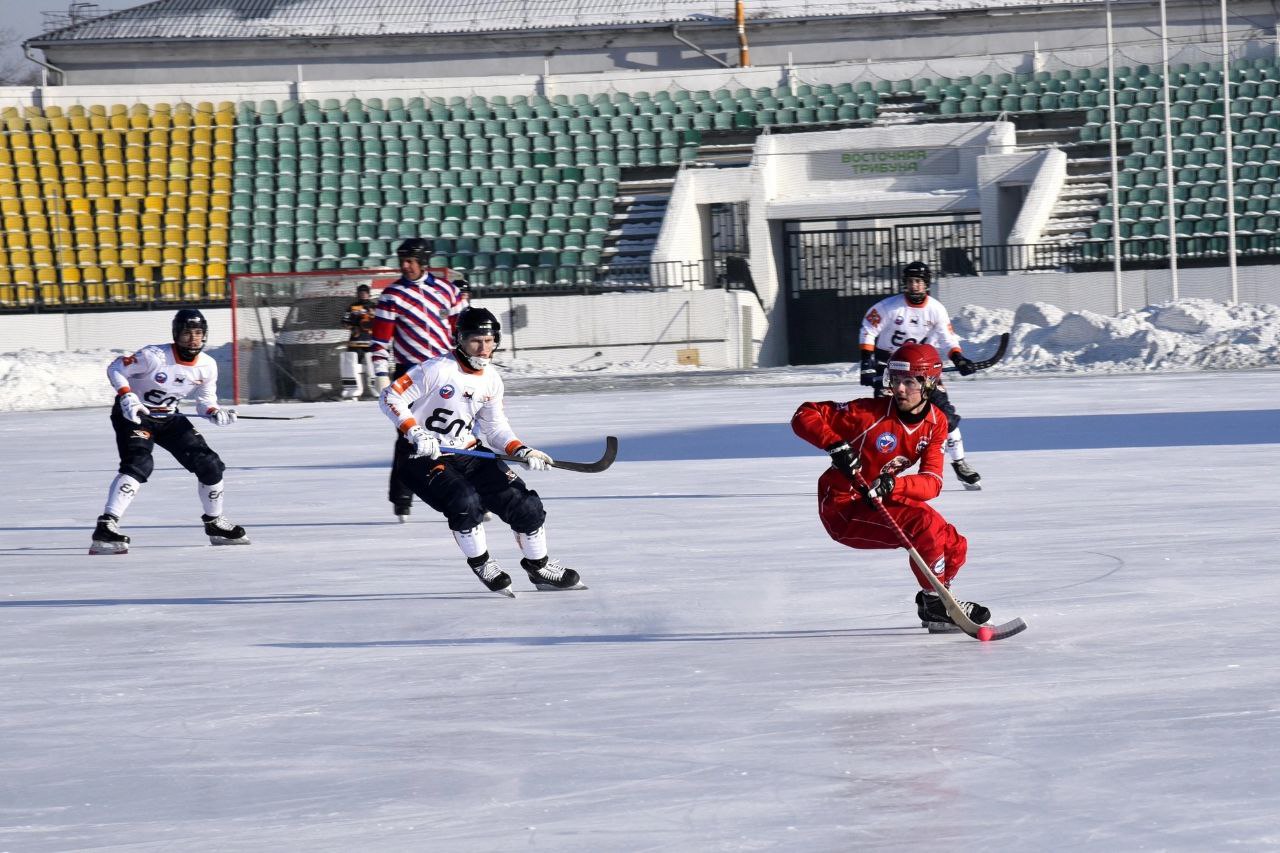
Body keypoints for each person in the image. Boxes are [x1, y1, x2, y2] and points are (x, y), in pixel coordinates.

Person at [379, 306, 585, 596]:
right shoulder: (436, 369)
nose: (484, 348)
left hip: (468, 452)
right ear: (460, 340)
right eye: (476, 340)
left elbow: (495, 427)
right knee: (465, 501)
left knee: (524, 504)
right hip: (421, 456)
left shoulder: (491, 379)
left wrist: (521, 450)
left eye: (490, 341)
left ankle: (539, 568)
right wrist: (415, 431)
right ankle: (482, 562)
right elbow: (391, 395)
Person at [791, 342, 989, 631]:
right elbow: (804, 415)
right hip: (844, 508)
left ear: (929, 383)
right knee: (924, 526)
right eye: (895, 380)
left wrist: (892, 485)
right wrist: (834, 445)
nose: (899, 389)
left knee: (953, 543)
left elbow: (932, 482)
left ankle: (935, 602)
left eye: (909, 381)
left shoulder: (937, 423)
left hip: (878, 499)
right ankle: (937, 604)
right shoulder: (867, 414)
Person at [89, 308, 250, 555]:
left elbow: (205, 401)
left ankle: (215, 523)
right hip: (135, 415)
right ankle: (106, 526)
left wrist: (215, 412)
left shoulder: (207, 366)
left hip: (170, 416)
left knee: (210, 465)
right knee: (140, 464)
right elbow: (115, 368)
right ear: (176, 334)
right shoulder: (154, 356)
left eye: (198, 333)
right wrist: (127, 396)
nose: (193, 339)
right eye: (187, 333)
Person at [857, 260, 983, 490]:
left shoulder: (936, 309)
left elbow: (948, 338)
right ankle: (874, 470)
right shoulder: (889, 307)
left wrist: (959, 358)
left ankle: (959, 463)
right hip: (892, 369)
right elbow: (868, 329)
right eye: (910, 281)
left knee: (946, 416)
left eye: (919, 282)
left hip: (923, 371)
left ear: (926, 284)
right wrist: (867, 363)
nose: (914, 286)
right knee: (886, 420)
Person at [369, 238, 467, 521]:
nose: (405, 265)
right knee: (408, 436)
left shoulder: (448, 291)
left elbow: (461, 331)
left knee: (458, 431)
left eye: (411, 260)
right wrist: (379, 373)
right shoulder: (391, 296)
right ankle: (401, 498)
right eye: (402, 260)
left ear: (423, 262)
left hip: (444, 370)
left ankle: (472, 492)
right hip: (410, 374)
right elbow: (379, 340)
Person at [339, 283, 377, 399]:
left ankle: (376, 390)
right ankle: (353, 391)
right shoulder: (352, 307)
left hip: (371, 341)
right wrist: (352, 328)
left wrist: (373, 316)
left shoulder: (375, 306)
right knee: (352, 365)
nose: (363, 294)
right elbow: (344, 322)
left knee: (373, 365)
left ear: (369, 294)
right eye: (361, 292)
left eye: (365, 292)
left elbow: (382, 322)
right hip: (355, 342)